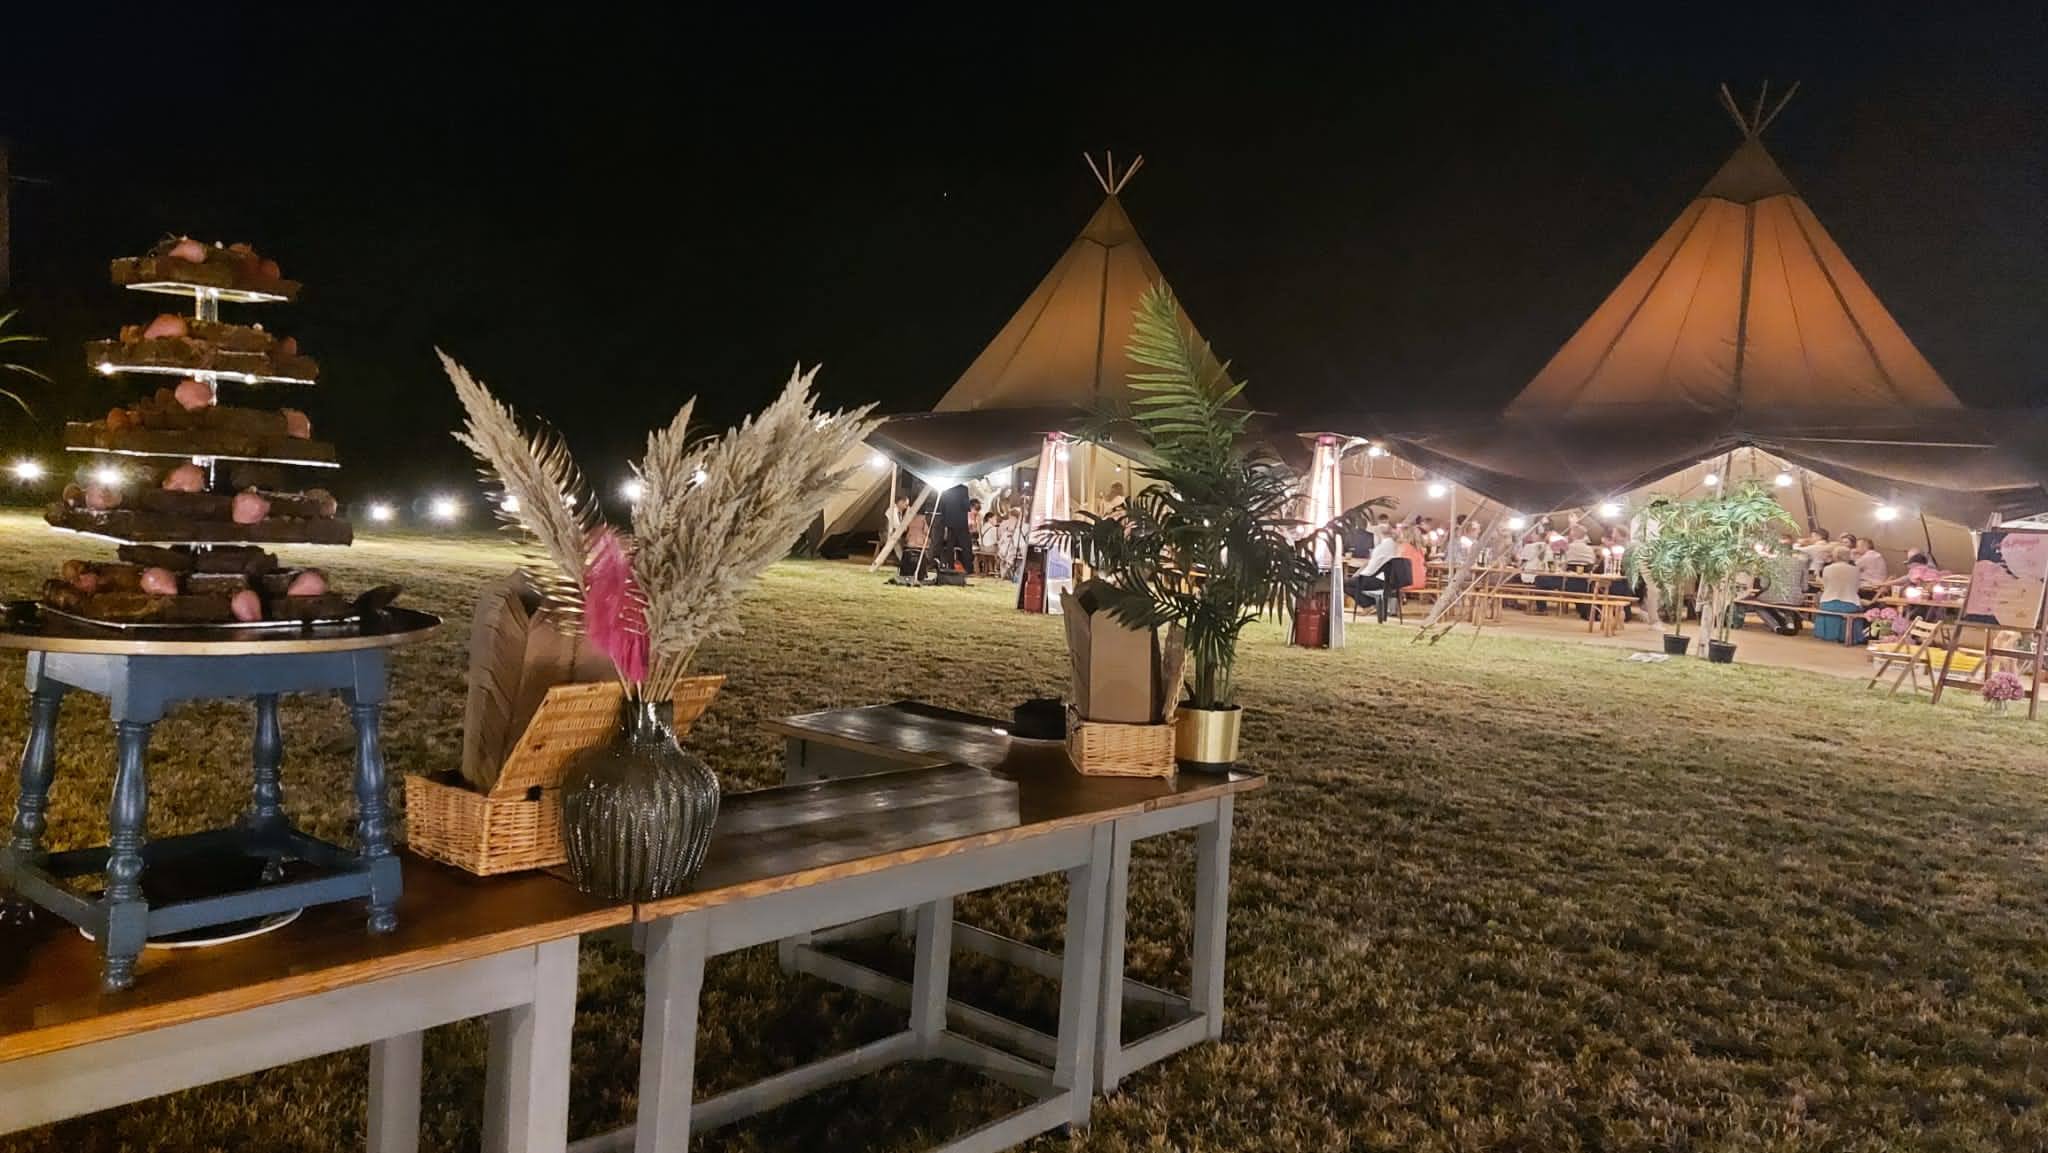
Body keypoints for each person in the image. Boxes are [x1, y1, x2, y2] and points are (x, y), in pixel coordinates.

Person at [1813, 546, 1867, 643]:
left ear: (1835, 556)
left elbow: (1825, 586)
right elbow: (1856, 588)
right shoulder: (1855, 570)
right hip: (1850, 604)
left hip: (1828, 603)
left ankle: (1827, 634)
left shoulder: (1827, 569)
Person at [876, 495, 911, 566]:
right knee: (895, 542)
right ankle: (903, 562)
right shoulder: (892, 510)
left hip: (891, 533)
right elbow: (897, 526)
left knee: (904, 541)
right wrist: (907, 515)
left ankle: (903, 560)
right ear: (900, 502)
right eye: (905, 505)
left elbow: (902, 527)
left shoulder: (899, 511)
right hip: (884, 533)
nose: (906, 507)